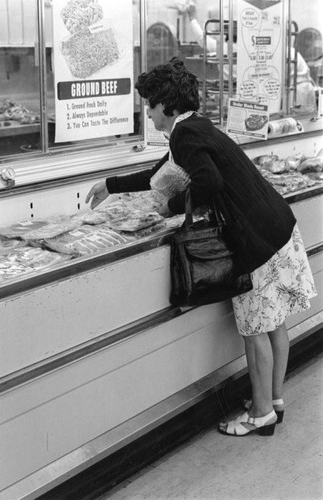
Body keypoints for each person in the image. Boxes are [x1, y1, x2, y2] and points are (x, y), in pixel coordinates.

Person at [85, 58, 317, 436]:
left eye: (151, 104)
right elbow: (160, 173)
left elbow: (206, 182)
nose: (148, 111)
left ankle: (260, 415)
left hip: (254, 240)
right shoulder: (196, 126)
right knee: (275, 321)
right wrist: (111, 184)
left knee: (255, 327)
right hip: (279, 227)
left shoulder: (185, 134)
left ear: (168, 106)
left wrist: (171, 207)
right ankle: (274, 400)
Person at [187, 1, 316, 112]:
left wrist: (192, 18)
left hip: (293, 92)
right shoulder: (267, 48)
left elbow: (201, 38)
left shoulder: (224, 48)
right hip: (288, 91)